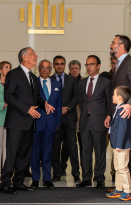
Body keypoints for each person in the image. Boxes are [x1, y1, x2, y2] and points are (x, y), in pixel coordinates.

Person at [0, 47, 54, 194]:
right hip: (16, 122)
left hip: (30, 123)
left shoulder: (32, 77)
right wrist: (26, 109)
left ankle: (18, 182)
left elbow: (36, 98)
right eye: (33, 54)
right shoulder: (13, 74)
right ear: (24, 57)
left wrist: (44, 104)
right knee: (12, 154)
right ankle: (5, 183)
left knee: (24, 155)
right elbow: (9, 97)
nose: (36, 56)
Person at [104, 35, 131, 195]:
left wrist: (129, 104)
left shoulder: (130, 63)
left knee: (130, 148)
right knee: (119, 148)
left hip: (128, 113)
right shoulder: (120, 64)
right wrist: (109, 114)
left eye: (113, 43)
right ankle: (121, 186)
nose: (110, 45)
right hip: (117, 114)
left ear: (121, 46)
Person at [76, 55, 111, 188]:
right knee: (85, 151)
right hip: (85, 122)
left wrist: (108, 117)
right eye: (87, 65)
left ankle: (100, 178)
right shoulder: (81, 83)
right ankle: (86, 178)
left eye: (91, 64)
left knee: (100, 151)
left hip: (100, 122)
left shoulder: (106, 82)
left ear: (98, 66)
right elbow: (81, 101)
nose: (88, 67)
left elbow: (109, 102)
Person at [30, 60, 62, 189]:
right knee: (35, 152)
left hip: (51, 123)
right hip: (36, 122)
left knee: (48, 152)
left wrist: (58, 122)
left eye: (48, 68)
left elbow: (59, 104)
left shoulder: (57, 84)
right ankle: (36, 179)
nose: (45, 70)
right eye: (42, 67)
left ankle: (47, 179)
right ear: (38, 69)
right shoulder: (33, 83)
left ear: (51, 70)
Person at [51, 55, 81, 183]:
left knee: (72, 147)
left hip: (69, 117)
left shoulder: (72, 79)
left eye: (62, 64)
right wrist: (58, 110)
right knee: (55, 147)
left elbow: (76, 96)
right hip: (54, 118)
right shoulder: (49, 79)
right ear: (54, 65)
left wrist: (67, 108)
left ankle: (76, 174)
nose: (59, 66)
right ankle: (57, 173)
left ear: (64, 65)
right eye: (57, 64)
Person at [106, 86, 131, 201]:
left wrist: (119, 145)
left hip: (121, 145)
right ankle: (119, 189)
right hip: (117, 144)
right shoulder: (118, 108)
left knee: (123, 168)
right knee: (117, 168)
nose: (112, 96)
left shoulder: (123, 109)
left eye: (114, 94)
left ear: (120, 97)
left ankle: (128, 191)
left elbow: (123, 129)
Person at [61, 60, 84, 175]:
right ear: (69, 70)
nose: (74, 70)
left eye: (76, 68)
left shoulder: (84, 81)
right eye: (72, 68)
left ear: (79, 69)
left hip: (81, 119)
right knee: (66, 145)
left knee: (81, 145)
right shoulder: (64, 81)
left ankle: (83, 170)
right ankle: (62, 167)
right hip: (67, 117)